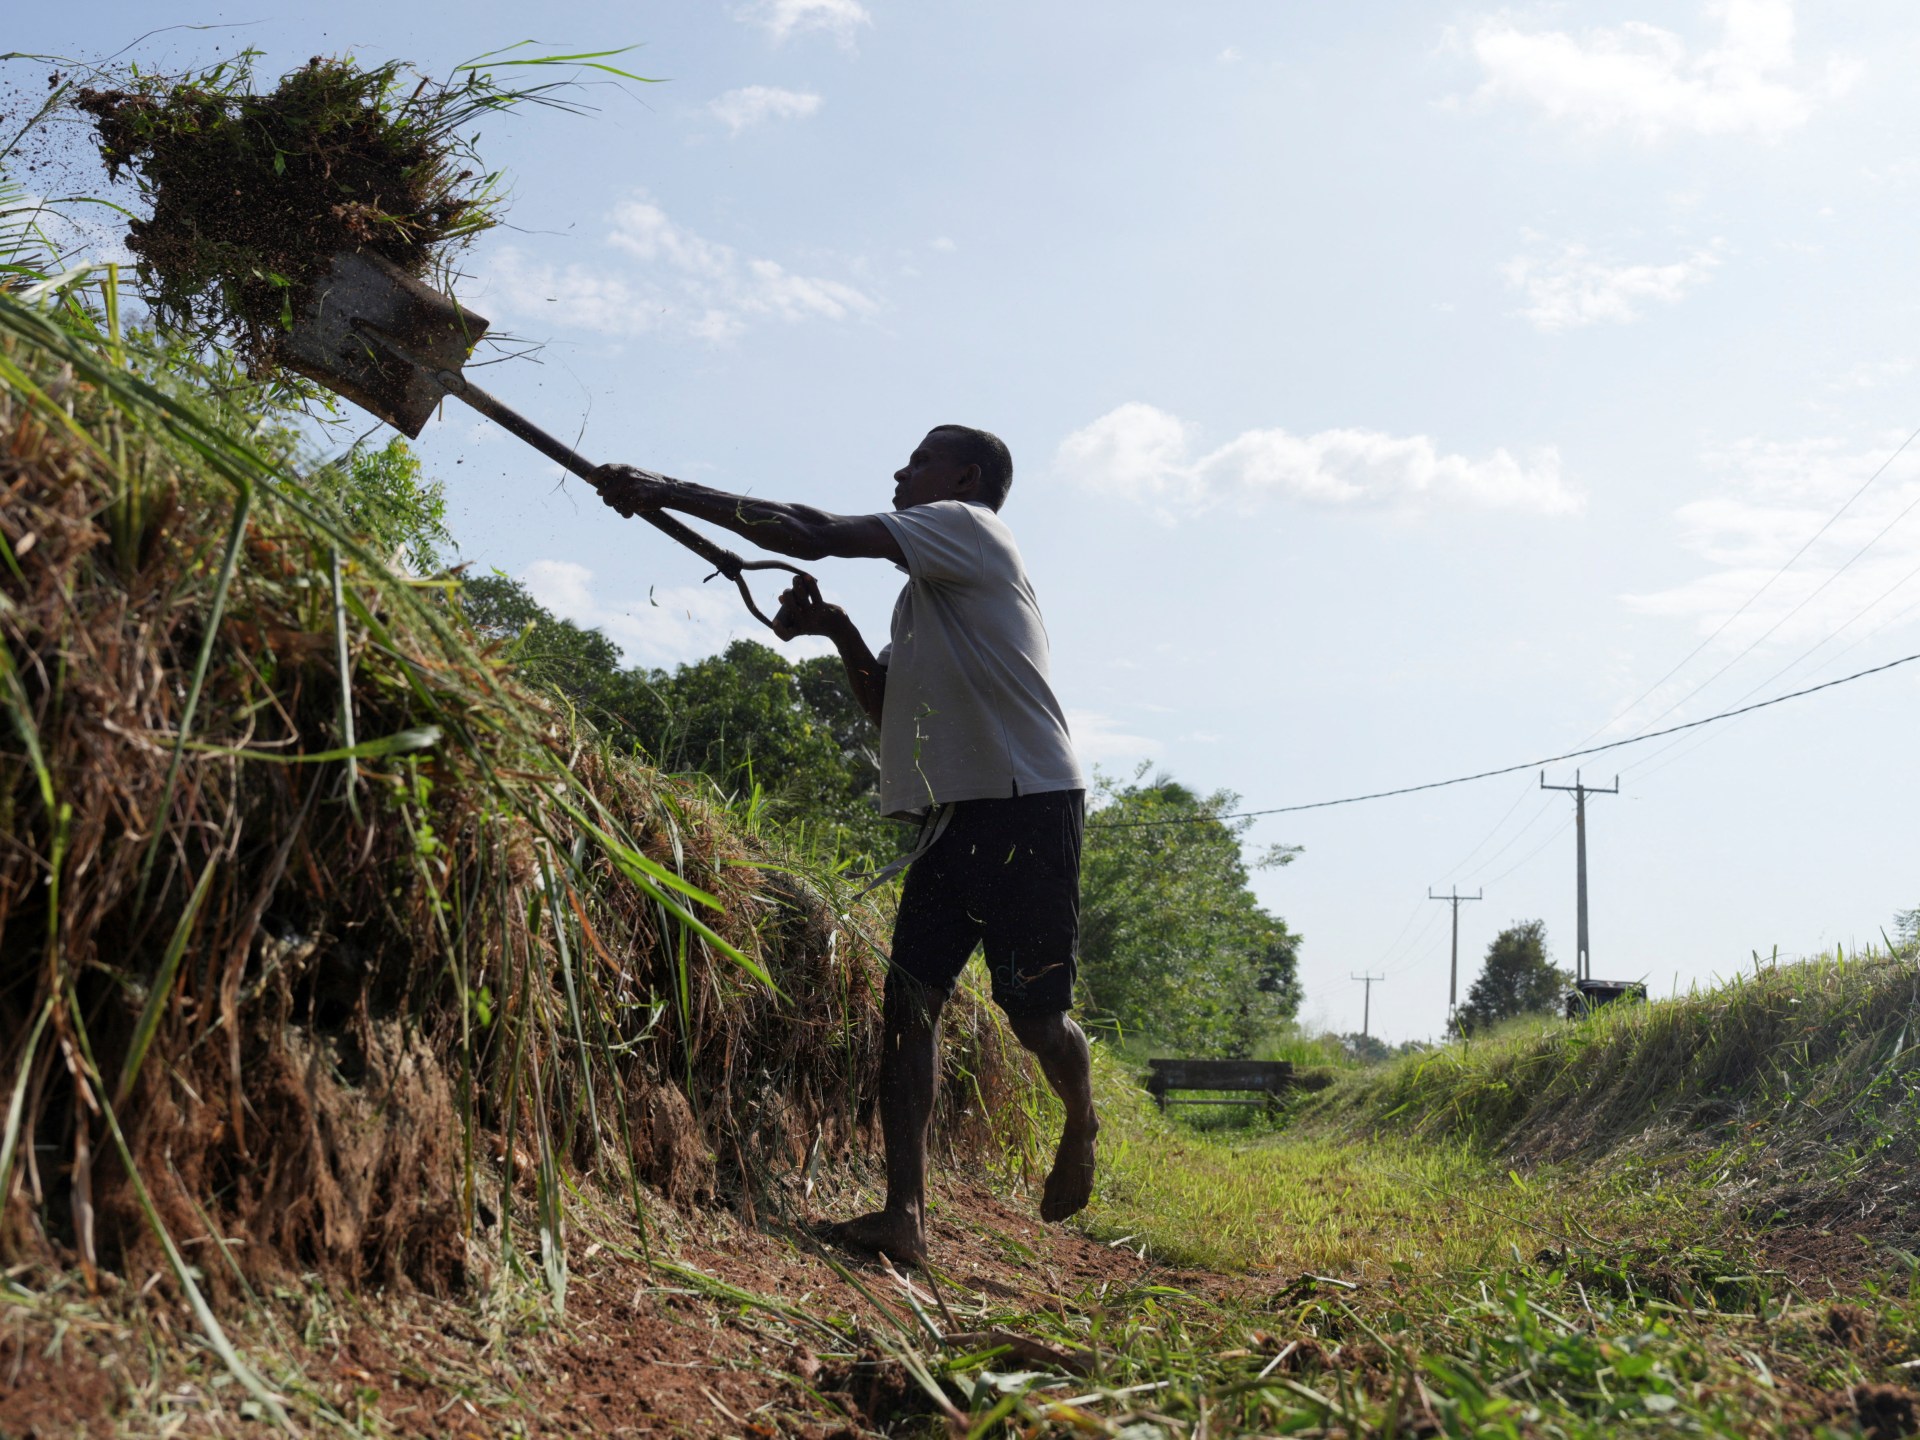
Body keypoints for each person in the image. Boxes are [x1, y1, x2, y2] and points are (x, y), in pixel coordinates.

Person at [592, 425, 1097, 1264]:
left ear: (965, 478)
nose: (901, 470)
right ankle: (905, 1216)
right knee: (909, 1007)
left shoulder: (969, 528)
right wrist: (835, 629)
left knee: (1037, 1017)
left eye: (921, 459)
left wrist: (666, 488)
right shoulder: (928, 593)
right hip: (951, 817)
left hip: (1026, 804)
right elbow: (884, 703)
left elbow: (812, 532)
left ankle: (1080, 1118)